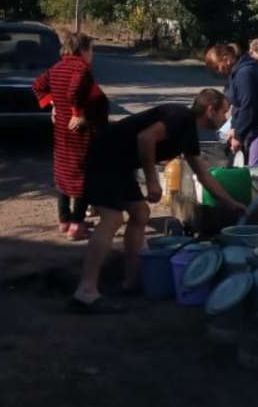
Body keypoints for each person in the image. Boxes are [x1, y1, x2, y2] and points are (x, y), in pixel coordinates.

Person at [71, 89, 245, 313]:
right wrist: (153, 180)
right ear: (210, 110)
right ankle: (86, 290)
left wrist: (230, 202)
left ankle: (131, 281)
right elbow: (145, 138)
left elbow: (204, 175)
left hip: (119, 163)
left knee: (140, 213)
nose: (225, 119)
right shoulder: (179, 116)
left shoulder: (188, 132)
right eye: (224, 112)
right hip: (104, 157)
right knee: (112, 218)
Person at [32, 30, 108, 241]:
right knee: (83, 180)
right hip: (80, 135)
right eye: (91, 49)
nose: (92, 54)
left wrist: (54, 105)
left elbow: (37, 86)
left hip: (62, 134)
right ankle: (76, 225)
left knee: (63, 176)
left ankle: (64, 221)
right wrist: (78, 113)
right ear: (82, 49)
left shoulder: (56, 67)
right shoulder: (81, 69)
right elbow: (76, 91)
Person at [205, 42, 258, 165]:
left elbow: (248, 107)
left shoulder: (245, 73)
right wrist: (234, 127)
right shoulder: (238, 71)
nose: (218, 72)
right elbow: (238, 105)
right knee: (253, 168)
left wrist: (238, 135)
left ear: (226, 59)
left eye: (217, 67)